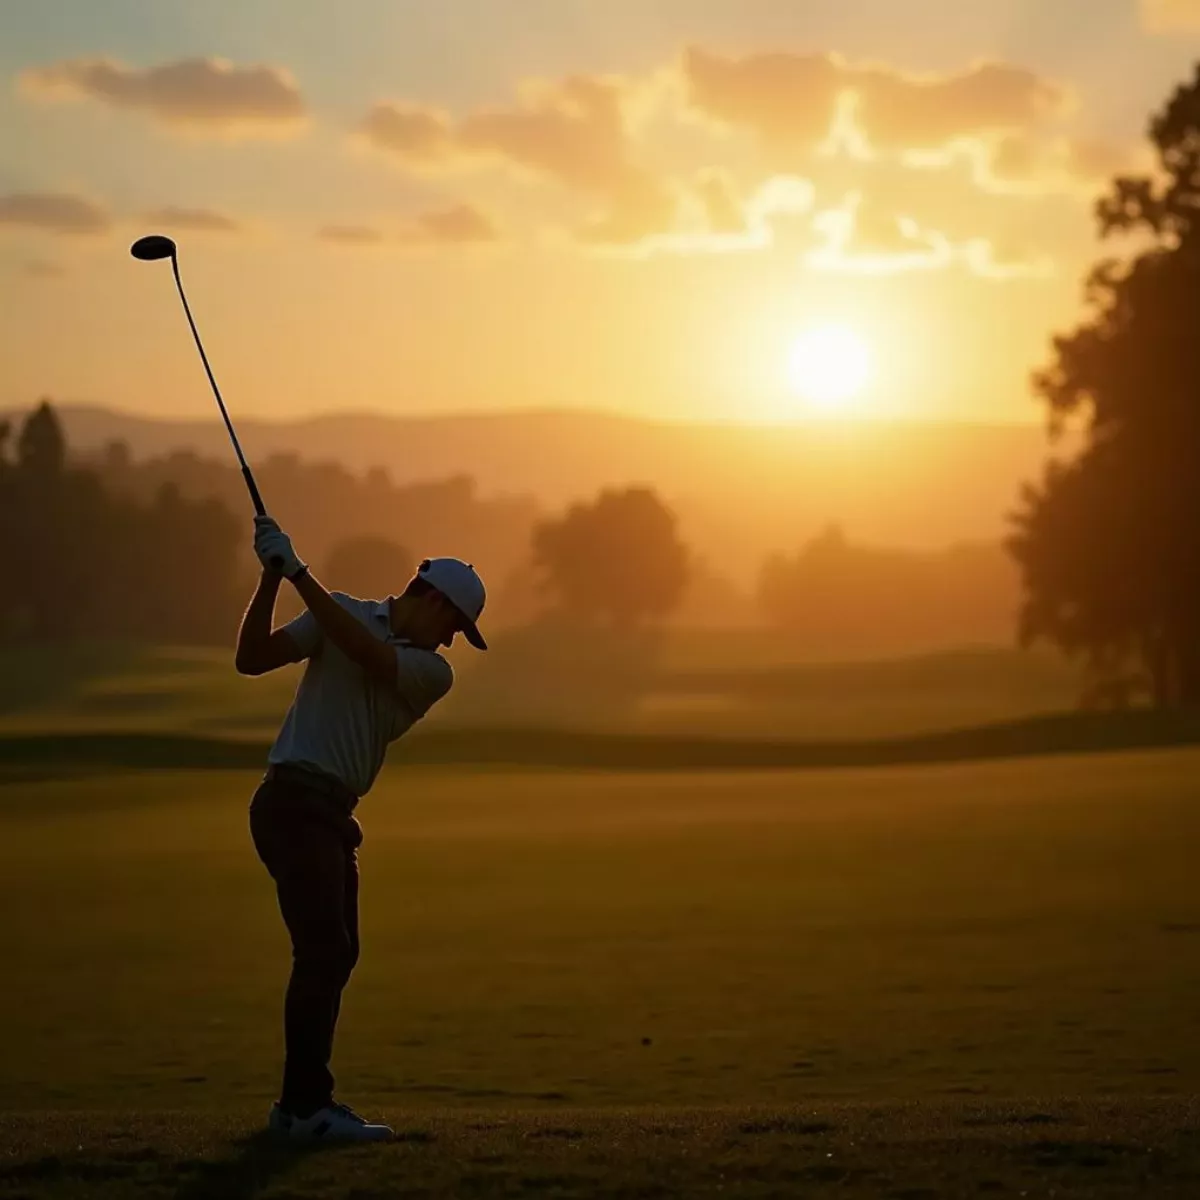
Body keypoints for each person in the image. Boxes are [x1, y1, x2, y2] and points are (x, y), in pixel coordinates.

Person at [234, 515, 487, 1142]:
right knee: (323, 951)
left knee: (337, 953)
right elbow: (251, 659)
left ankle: (299, 1108)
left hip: (331, 815)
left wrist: (299, 574)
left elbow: (366, 652)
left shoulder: (431, 673)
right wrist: (272, 580)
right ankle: (304, 1111)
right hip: (292, 803)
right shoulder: (338, 613)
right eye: (455, 626)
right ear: (433, 602)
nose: (454, 642)